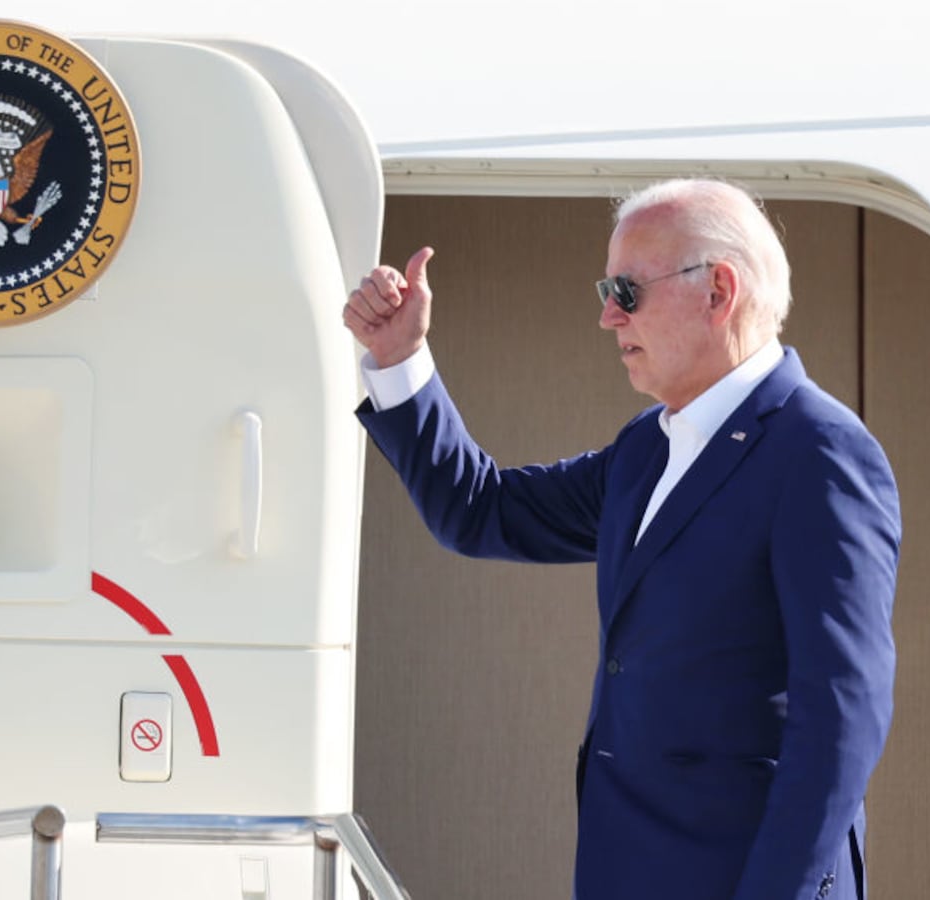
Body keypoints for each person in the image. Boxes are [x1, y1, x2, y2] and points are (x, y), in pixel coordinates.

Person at [343, 179, 900, 900]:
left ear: (718, 291)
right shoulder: (649, 448)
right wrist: (400, 359)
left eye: (626, 290)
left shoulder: (819, 453)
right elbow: (480, 511)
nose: (607, 317)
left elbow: (841, 718)